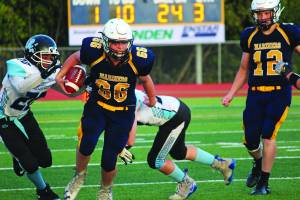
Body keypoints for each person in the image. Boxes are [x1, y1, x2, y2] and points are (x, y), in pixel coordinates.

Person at [55, 18, 156, 200]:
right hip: (97, 107)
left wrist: (153, 99)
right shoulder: (94, 51)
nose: (119, 47)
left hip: (123, 113)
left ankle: (105, 189)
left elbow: (146, 79)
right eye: (115, 42)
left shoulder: (138, 59)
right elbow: (76, 57)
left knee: (109, 160)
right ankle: (79, 177)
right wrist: (60, 75)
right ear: (105, 41)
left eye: (123, 42)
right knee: (86, 145)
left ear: (130, 42)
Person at [222, 0, 300, 195]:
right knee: (249, 140)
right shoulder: (249, 34)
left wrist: (294, 76)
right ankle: (258, 163)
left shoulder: (288, 31)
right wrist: (231, 93)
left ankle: (263, 183)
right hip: (255, 93)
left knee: (268, 135)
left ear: (275, 12)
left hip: (278, 93)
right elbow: (243, 68)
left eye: (266, 13)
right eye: (259, 13)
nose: (263, 17)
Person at [118, 89, 236, 200]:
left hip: (175, 117)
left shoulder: (129, 103)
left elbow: (130, 140)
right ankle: (222, 164)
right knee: (179, 152)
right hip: (175, 109)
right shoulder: (126, 93)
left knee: (156, 160)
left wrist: (120, 149)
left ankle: (187, 183)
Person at [0, 34, 62, 199]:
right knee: (29, 163)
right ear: (32, 54)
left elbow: (69, 84)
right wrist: (44, 72)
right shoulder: (17, 65)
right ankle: (43, 191)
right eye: (45, 56)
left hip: (25, 114)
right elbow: (21, 88)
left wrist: (83, 79)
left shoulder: (51, 70)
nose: (49, 60)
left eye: (51, 57)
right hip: (3, 118)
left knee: (46, 160)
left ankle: (18, 156)